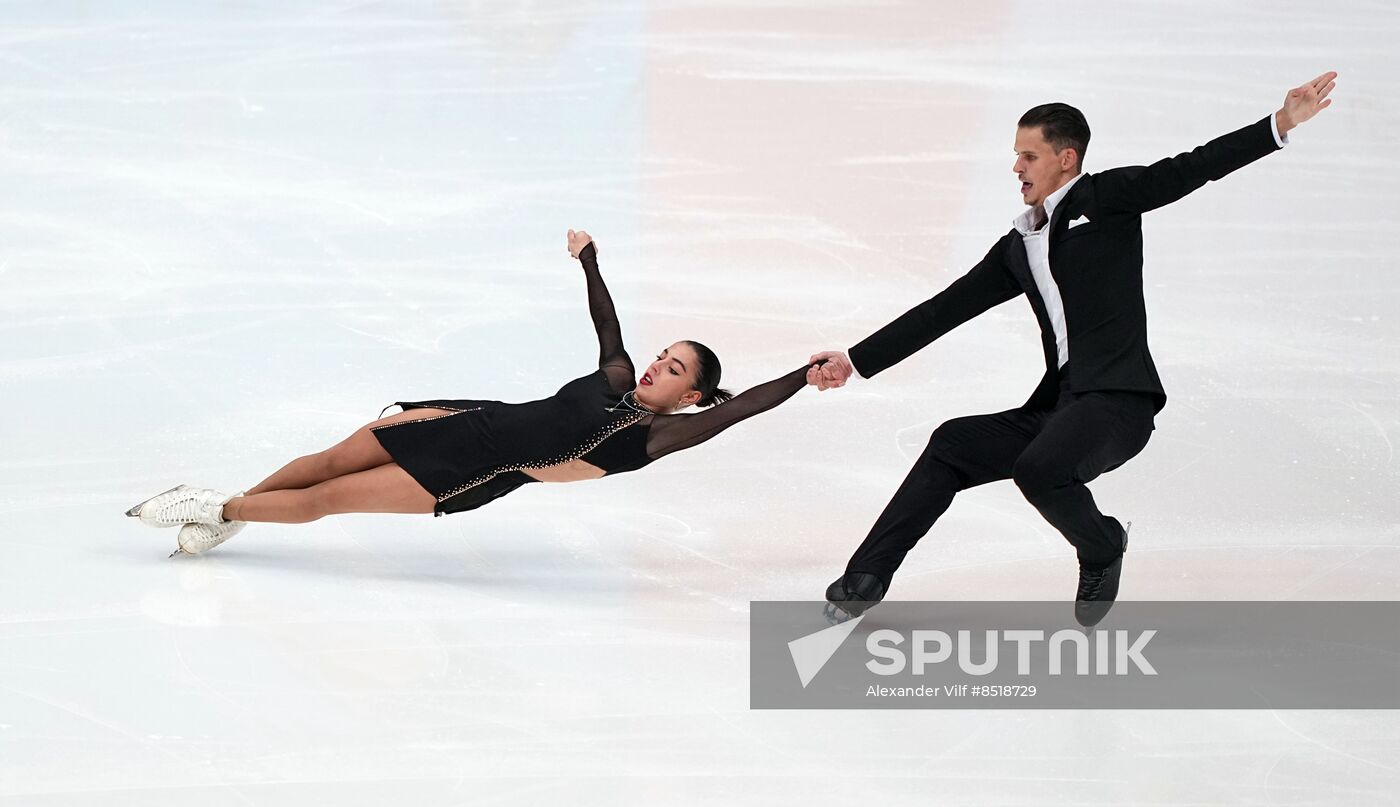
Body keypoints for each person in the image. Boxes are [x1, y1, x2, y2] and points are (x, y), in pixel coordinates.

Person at [810, 72, 1338, 626]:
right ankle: (863, 581)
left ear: (1065, 158)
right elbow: (946, 308)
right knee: (952, 443)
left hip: (1117, 404)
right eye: (1017, 155)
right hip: (1061, 408)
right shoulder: (1019, 246)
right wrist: (857, 359)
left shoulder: (1106, 200)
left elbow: (1191, 168)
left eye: (1028, 156)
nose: (1017, 167)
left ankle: (1103, 545)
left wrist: (1279, 125)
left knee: (1039, 470)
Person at [128, 230, 821, 557]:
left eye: (675, 370)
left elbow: (743, 408)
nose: (655, 367)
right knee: (330, 461)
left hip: (474, 472)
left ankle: (218, 505)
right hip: (469, 420)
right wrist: (589, 258)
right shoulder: (616, 375)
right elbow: (606, 321)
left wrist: (802, 373)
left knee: (328, 500)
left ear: (693, 397)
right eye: (664, 355)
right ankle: (238, 512)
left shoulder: (654, 437)